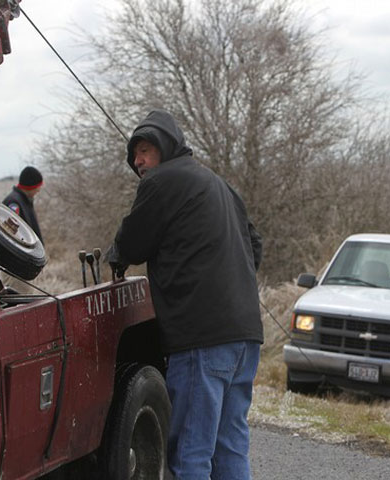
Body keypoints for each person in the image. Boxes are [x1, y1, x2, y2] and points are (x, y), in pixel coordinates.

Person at [108, 109, 263, 480]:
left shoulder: (162, 183)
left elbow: (133, 242)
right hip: (245, 338)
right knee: (230, 447)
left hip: (201, 341)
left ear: (166, 146)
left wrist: (116, 257)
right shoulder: (221, 185)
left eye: (145, 150)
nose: (139, 161)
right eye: (134, 155)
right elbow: (253, 247)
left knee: (190, 452)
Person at [3, 166, 44, 242]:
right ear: (31, 186)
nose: (38, 190)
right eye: (38, 187)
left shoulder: (26, 200)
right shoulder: (14, 203)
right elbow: (12, 234)